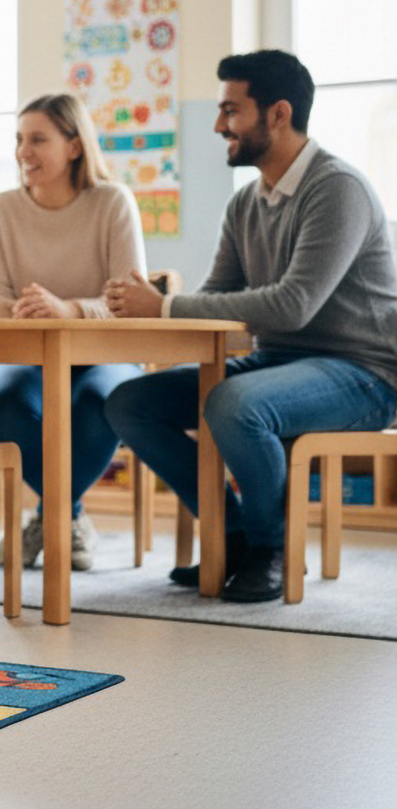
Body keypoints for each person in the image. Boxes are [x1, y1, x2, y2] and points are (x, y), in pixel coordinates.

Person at [104, 49, 397, 602]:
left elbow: (292, 306)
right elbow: (218, 297)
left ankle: (272, 549)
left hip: (365, 372)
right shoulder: (246, 204)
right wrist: (154, 304)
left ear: (278, 114)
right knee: (128, 402)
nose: (219, 126)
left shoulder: (338, 190)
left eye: (231, 111)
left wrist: (163, 307)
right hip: (279, 364)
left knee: (235, 403)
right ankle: (234, 537)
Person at [0, 93, 147, 572]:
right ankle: (66, 516)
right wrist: (29, 309)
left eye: (37, 140)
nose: (23, 152)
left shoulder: (113, 203)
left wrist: (67, 308)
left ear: (74, 147)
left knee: (103, 404)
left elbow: (129, 303)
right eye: (18, 140)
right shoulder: (1, 210)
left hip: (105, 355)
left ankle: (50, 517)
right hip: (26, 354)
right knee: (5, 407)